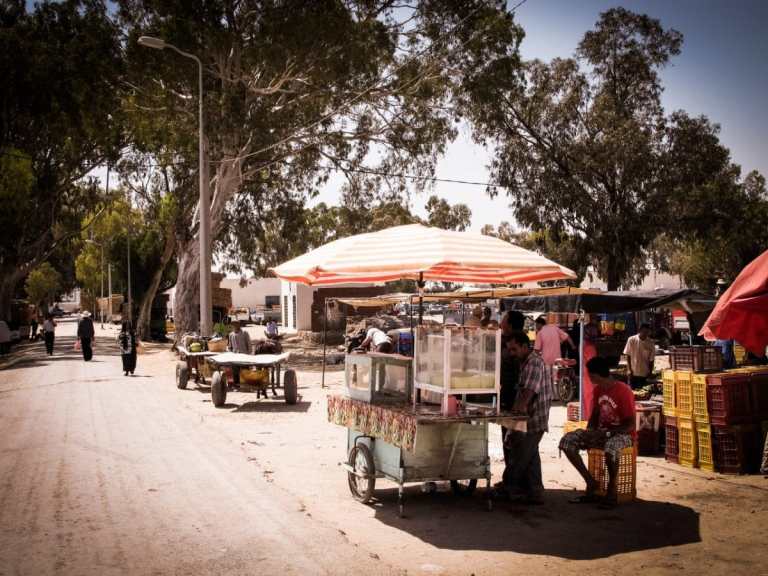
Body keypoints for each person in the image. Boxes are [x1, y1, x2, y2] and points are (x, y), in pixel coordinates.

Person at [559, 356, 636, 509]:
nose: (588, 377)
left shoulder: (623, 391)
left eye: (589, 374)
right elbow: (595, 414)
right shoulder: (598, 390)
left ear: (595, 375)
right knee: (567, 441)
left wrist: (608, 433)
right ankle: (590, 482)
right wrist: (589, 433)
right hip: (601, 432)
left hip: (623, 435)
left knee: (611, 447)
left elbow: (630, 424)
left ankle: (612, 491)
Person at [500, 331, 553, 505]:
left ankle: (510, 486)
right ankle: (535, 492)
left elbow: (528, 393)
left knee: (520, 457)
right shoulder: (525, 362)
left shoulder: (534, 363)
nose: (511, 353)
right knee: (530, 456)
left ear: (524, 346)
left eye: (514, 349)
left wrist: (514, 417)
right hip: (530, 417)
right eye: (509, 349)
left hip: (534, 418)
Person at [623, 323, 655, 389]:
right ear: (640, 331)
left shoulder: (651, 343)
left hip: (644, 373)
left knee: (643, 392)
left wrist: (650, 372)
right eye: (644, 332)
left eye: (647, 332)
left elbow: (651, 360)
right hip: (633, 373)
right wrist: (629, 369)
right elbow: (628, 355)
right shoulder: (631, 340)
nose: (645, 334)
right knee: (632, 391)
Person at [227, 321, 252, 390]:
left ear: (239, 325)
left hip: (244, 354)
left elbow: (249, 343)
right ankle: (236, 385)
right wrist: (230, 353)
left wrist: (249, 354)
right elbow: (230, 346)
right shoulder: (231, 334)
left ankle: (246, 385)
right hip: (235, 355)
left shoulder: (244, 333)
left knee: (245, 370)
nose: (235, 326)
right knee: (235, 371)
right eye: (233, 325)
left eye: (236, 324)